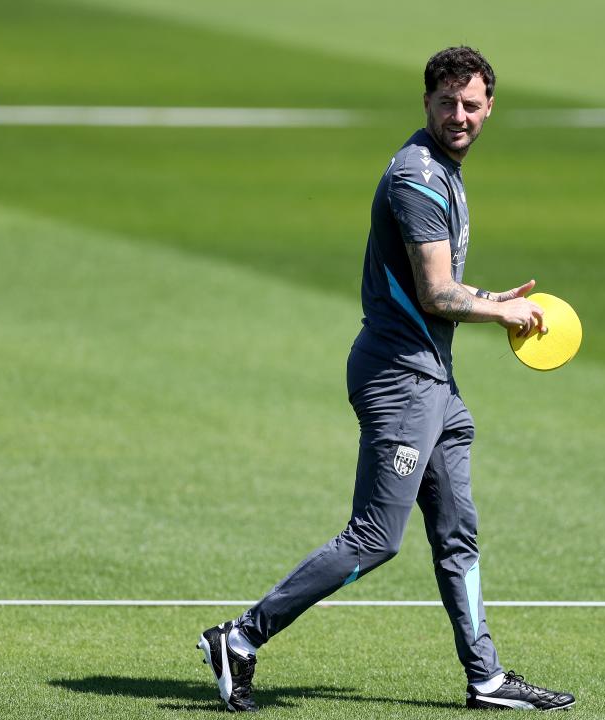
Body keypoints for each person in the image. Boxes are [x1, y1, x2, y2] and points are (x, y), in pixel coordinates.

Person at [197, 46, 576, 713]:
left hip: (435, 382)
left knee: (458, 531)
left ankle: (485, 678)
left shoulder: (445, 171)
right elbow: (435, 293)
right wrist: (498, 311)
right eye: (446, 103)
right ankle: (241, 637)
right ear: (426, 103)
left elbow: (440, 286)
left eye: (471, 104)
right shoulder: (418, 179)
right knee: (375, 536)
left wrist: (493, 298)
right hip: (400, 381)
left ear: (489, 108)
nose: (459, 115)